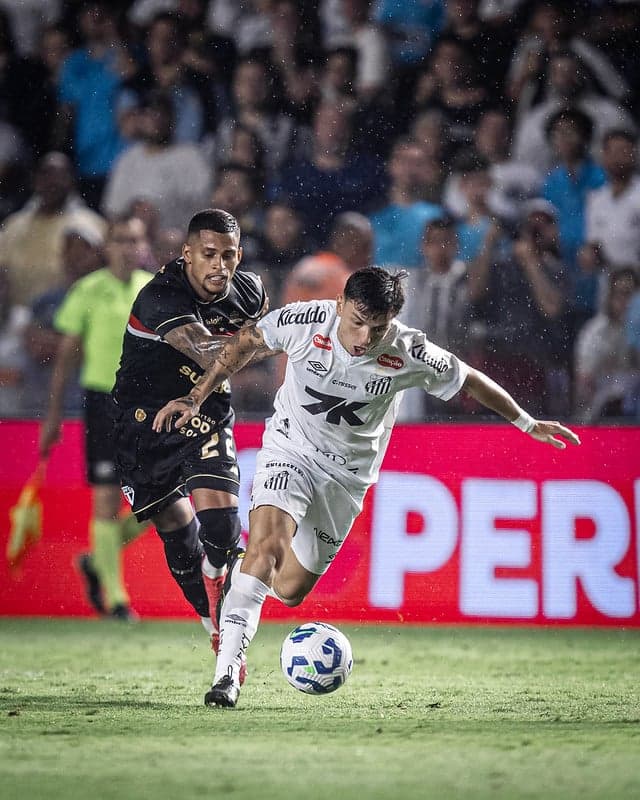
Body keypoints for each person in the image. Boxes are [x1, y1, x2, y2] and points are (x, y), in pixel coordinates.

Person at [152, 265, 581, 708]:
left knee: (290, 589)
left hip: (346, 481)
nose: (362, 338)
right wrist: (195, 396)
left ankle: (240, 576)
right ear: (339, 305)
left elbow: (468, 378)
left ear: (392, 320)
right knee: (267, 548)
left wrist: (527, 423)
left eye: (376, 329)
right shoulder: (303, 322)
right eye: (355, 322)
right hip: (291, 451)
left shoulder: (409, 351)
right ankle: (227, 675)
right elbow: (242, 344)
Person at [110, 208, 268, 670]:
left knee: (221, 526)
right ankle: (212, 618)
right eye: (209, 255)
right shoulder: (161, 297)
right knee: (178, 535)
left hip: (205, 412)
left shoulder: (249, 291)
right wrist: (279, 339)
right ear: (187, 254)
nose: (220, 266)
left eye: (229, 255)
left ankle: (221, 590)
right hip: (144, 425)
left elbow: (252, 342)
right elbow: (211, 351)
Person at [39, 215, 153, 620]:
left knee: (161, 501)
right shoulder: (87, 290)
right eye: (120, 240)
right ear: (108, 246)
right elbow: (65, 358)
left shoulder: (153, 289)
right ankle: (118, 600)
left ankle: (94, 560)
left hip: (146, 406)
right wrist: (53, 415)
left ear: (144, 245)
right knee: (106, 499)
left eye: (134, 240)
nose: (127, 247)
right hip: (103, 403)